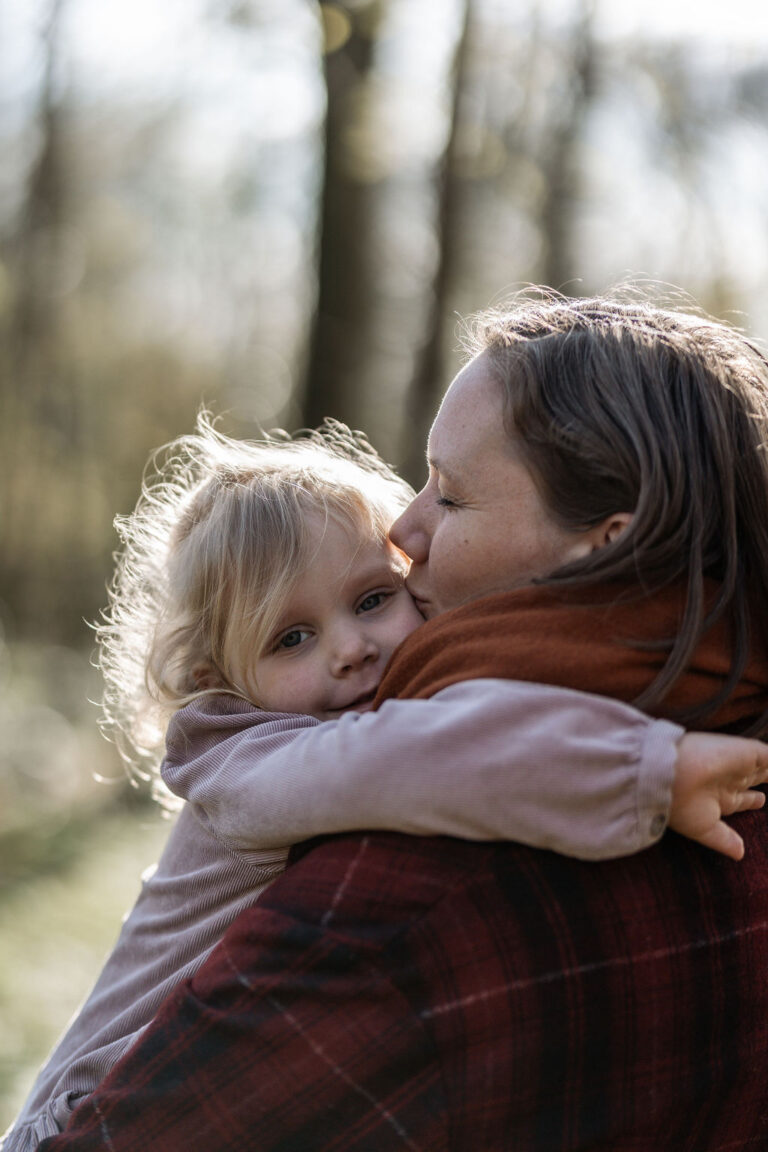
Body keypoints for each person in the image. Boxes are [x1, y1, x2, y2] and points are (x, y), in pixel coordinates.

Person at [37, 290, 768, 1150]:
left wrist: (648, 770)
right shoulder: (248, 756)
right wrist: (647, 770)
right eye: (293, 637)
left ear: (604, 541)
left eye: (451, 498)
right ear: (216, 678)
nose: (406, 529)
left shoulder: (395, 907)